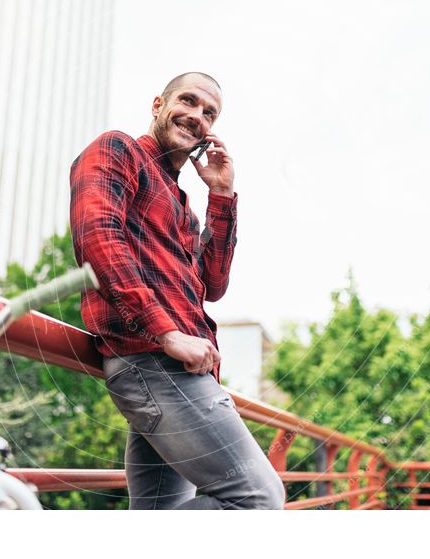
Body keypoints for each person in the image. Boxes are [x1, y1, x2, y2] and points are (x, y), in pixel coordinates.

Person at [69, 72, 285, 509]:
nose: (197, 116)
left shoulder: (182, 205)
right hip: (154, 363)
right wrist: (167, 333)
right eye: (188, 101)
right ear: (157, 105)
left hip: (179, 371)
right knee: (258, 499)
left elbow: (213, 285)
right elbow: (98, 239)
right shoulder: (118, 149)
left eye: (210, 113)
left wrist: (221, 194)